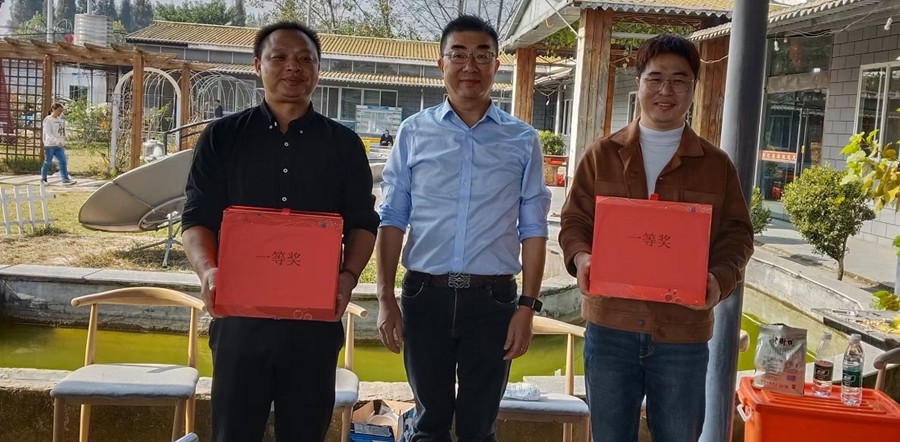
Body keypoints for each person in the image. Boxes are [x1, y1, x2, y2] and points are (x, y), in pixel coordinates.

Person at [181, 21, 379, 442]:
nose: (294, 67)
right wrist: (207, 270)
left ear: (318, 69)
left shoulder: (344, 145)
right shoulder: (222, 138)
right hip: (239, 322)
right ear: (257, 65)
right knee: (233, 433)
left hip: (314, 325)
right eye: (280, 57)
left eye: (306, 58)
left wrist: (348, 277)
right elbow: (196, 218)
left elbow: (363, 223)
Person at [558, 34, 755, 441]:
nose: (666, 91)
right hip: (611, 328)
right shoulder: (601, 155)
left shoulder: (716, 165)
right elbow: (574, 221)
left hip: (682, 333)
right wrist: (581, 258)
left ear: (693, 88)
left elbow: (737, 236)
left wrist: (718, 279)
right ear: (639, 83)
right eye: (656, 78)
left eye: (679, 80)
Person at [376, 15, 551, 442]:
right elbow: (392, 217)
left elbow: (533, 227)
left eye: (482, 55)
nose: (470, 66)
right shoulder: (413, 132)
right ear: (441, 64)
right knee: (429, 423)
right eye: (458, 55)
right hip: (424, 296)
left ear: (496, 66)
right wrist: (385, 297)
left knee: (478, 426)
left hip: (492, 301)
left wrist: (526, 307)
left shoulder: (521, 139)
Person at [41, 103, 76, 185]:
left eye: (61, 111)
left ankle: (65, 179)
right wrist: (56, 141)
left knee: (63, 161)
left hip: (59, 146)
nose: (60, 112)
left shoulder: (60, 120)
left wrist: (63, 141)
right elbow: (48, 133)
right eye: (59, 110)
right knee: (48, 162)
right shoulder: (48, 120)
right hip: (50, 145)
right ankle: (43, 179)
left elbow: (62, 132)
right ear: (53, 109)